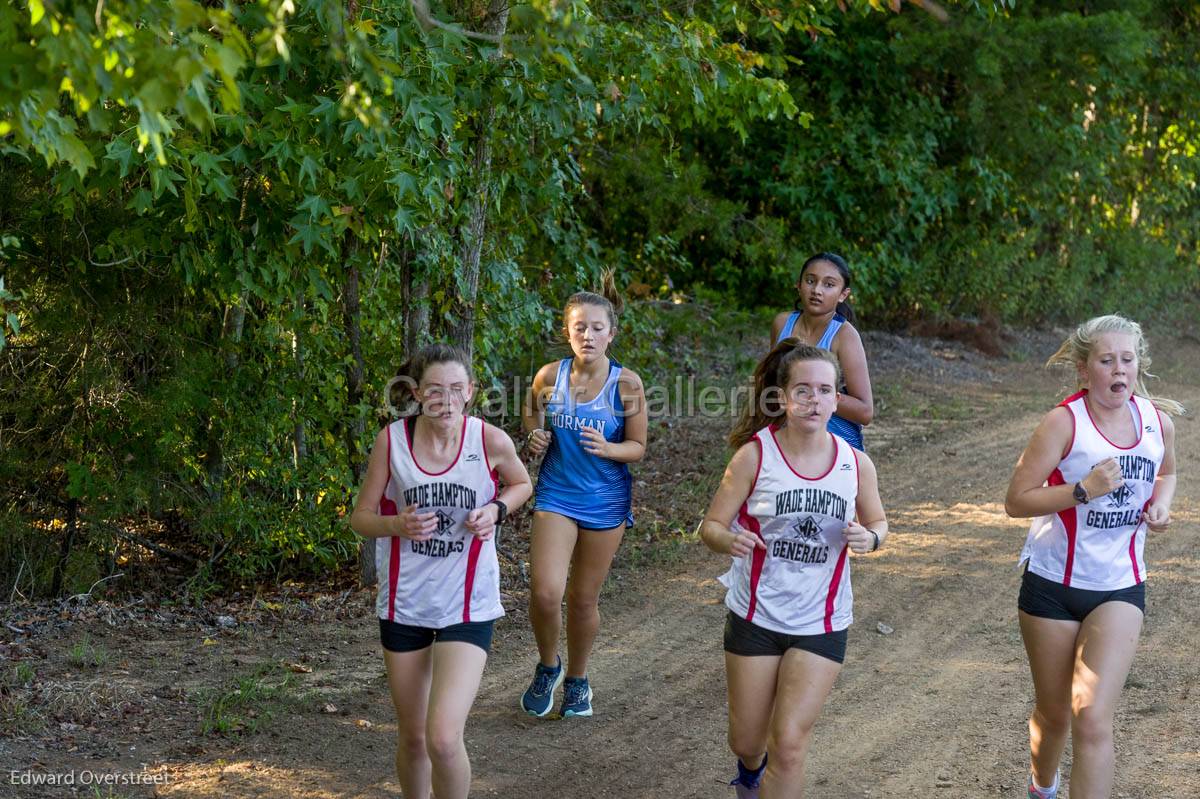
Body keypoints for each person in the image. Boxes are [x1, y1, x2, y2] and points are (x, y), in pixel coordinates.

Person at [700, 340, 888, 798]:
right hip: (756, 617)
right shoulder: (754, 457)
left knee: (787, 744)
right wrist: (729, 539)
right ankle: (749, 774)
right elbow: (710, 526)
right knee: (747, 741)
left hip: (821, 621)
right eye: (802, 390)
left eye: (825, 390)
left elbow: (879, 520)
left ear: (837, 397)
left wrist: (872, 537)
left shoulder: (854, 463)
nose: (814, 400)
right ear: (781, 397)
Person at [1004, 315, 1181, 799]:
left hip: (1120, 585)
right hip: (1052, 587)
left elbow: (1166, 472)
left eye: (1128, 360)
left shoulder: (1155, 422)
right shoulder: (1064, 422)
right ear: (1085, 370)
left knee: (1092, 716)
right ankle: (1043, 787)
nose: (1119, 370)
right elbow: (1016, 500)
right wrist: (1081, 490)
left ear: (1138, 364)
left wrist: (1161, 504)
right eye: (1107, 361)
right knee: (1055, 714)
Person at [350, 343, 532, 799]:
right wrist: (397, 524)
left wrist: (496, 509)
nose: (445, 400)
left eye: (455, 389)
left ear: (470, 392)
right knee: (413, 738)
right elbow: (361, 517)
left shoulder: (488, 439)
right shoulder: (392, 441)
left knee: (444, 738)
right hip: (405, 603)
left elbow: (522, 483)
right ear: (415, 393)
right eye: (434, 390)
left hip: (467, 604)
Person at [519, 273, 648, 718]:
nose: (588, 336)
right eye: (580, 328)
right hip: (557, 492)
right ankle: (547, 665)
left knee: (582, 599)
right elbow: (531, 413)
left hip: (606, 500)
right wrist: (535, 435)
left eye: (597, 328)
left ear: (612, 333)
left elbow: (638, 447)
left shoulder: (626, 384)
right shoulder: (548, 376)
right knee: (545, 592)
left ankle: (577, 679)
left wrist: (611, 448)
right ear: (567, 332)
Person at [769, 252, 873, 450]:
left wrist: (811, 395)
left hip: (836, 444)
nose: (816, 290)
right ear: (799, 285)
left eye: (829, 284)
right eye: (810, 281)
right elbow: (770, 382)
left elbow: (865, 412)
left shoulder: (844, 336)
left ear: (843, 294)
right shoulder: (782, 324)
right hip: (787, 439)